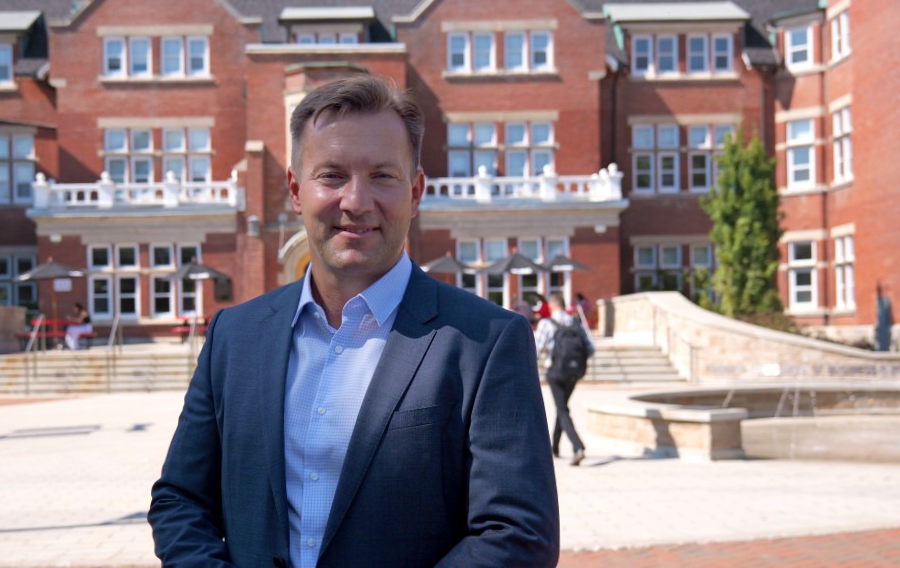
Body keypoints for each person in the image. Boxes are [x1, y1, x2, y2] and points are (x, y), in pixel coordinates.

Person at [150, 75, 560, 567]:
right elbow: (180, 500)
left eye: (383, 176)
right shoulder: (234, 336)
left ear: (416, 191)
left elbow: (518, 534)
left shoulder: (485, 342)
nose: (356, 201)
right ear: (296, 190)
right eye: (333, 175)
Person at [535, 291, 592, 466]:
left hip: (555, 373)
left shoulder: (546, 324)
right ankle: (555, 447)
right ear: (564, 305)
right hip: (574, 372)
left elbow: (536, 350)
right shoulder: (574, 321)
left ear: (551, 306)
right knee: (562, 407)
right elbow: (590, 348)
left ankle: (578, 447)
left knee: (562, 409)